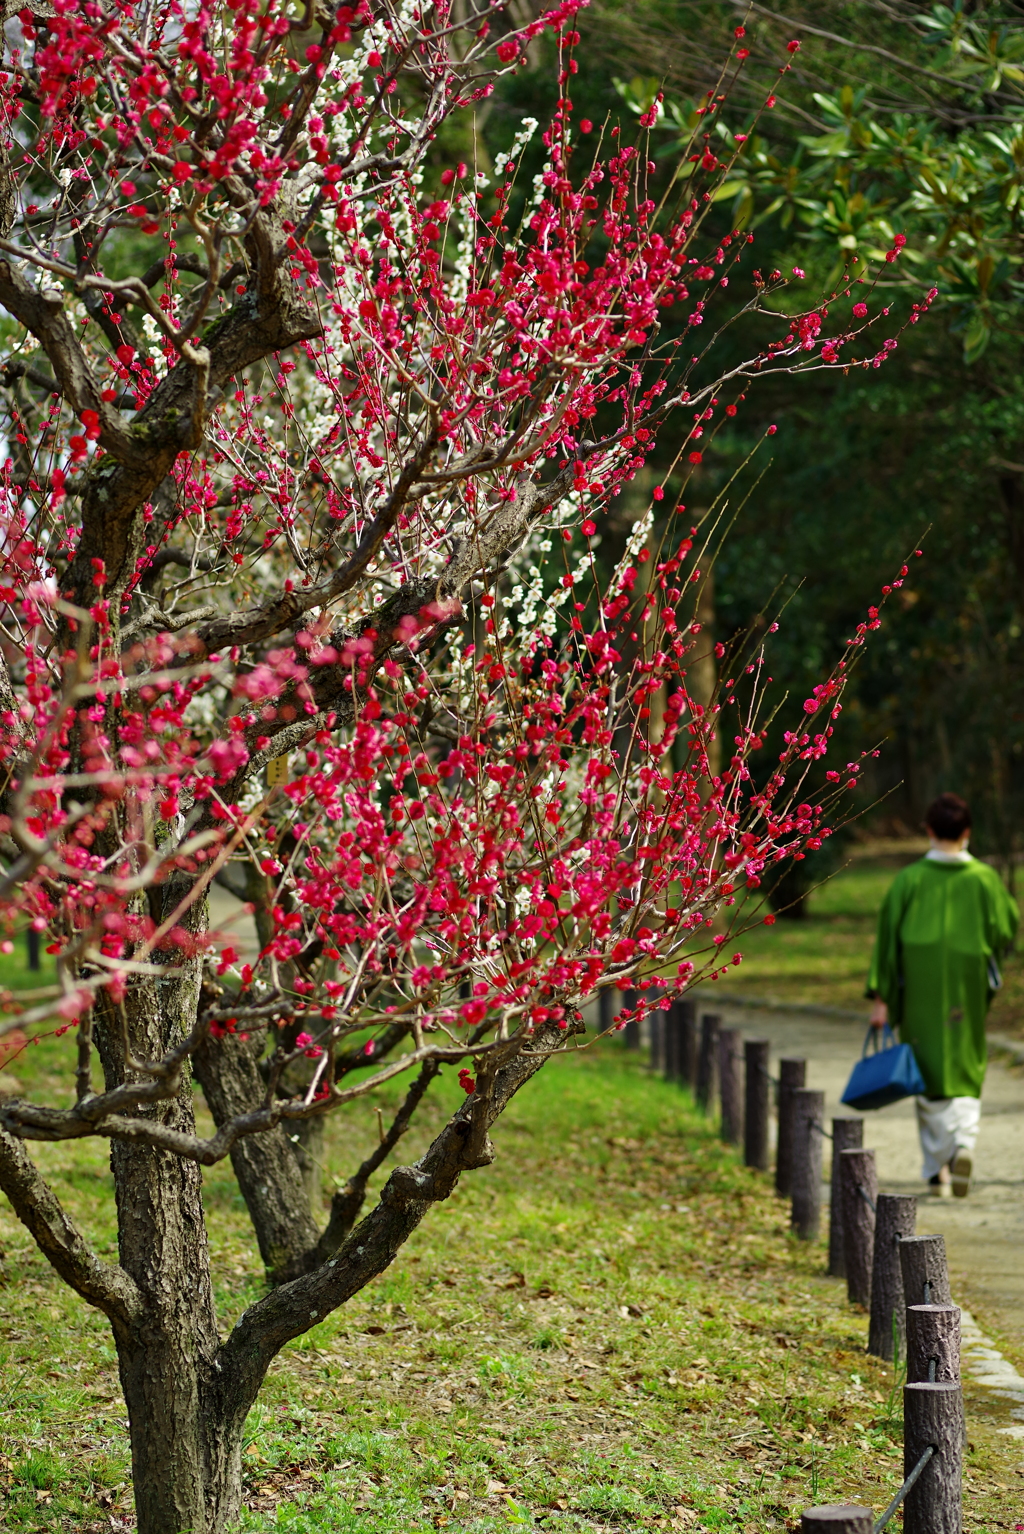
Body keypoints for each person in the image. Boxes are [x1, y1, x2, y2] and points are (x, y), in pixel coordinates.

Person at [867, 793, 1018, 1197]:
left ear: (929, 830)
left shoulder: (909, 881)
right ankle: (963, 1143)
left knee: (926, 1067)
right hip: (967, 983)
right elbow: (1007, 927)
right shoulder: (985, 879)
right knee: (965, 1061)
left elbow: (887, 943)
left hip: (919, 984)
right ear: (967, 832)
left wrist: (882, 999)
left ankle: (938, 1170)